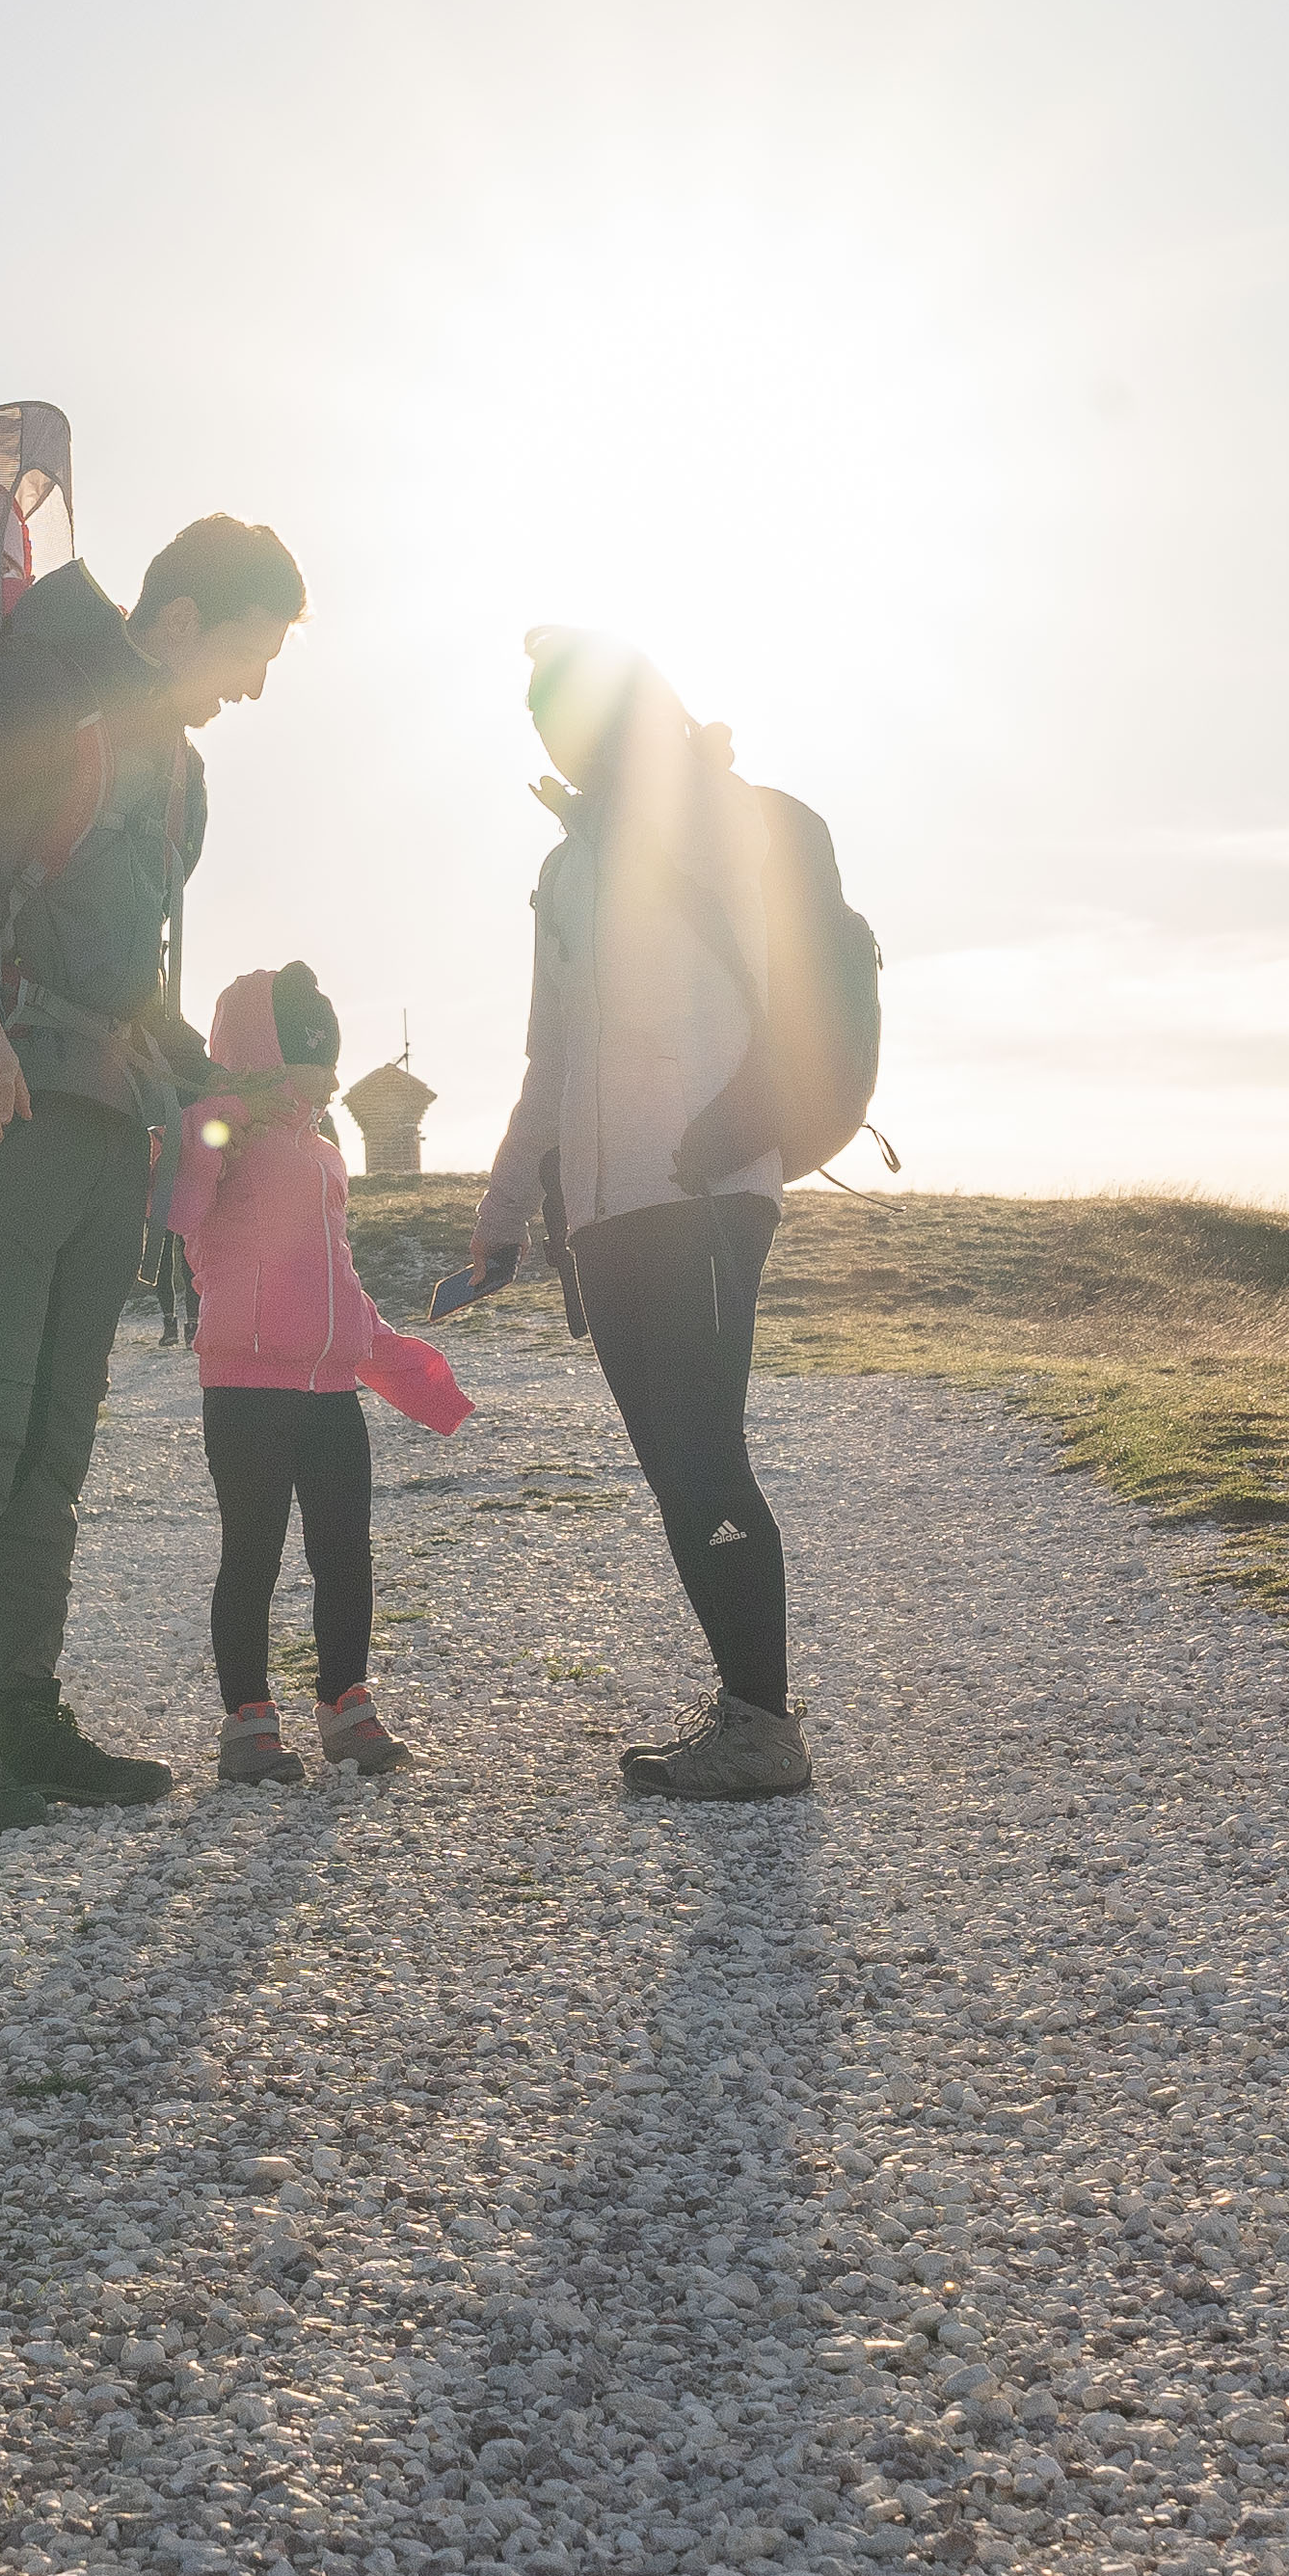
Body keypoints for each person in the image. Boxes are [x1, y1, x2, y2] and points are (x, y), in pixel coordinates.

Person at [0, 513, 309, 1835]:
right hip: (2, 1088)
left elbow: (127, 975)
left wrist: (217, 1083)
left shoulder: (180, 770)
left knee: (54, 1440)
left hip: (106, 1108)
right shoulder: (43, 681)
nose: (256, 685)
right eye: (250, 649)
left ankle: (23, 1706)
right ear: (178, 620)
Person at [471, 628, 814, 1800]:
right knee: (673, 1464)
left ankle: (765, 1723)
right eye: (542, 720)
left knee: (706, 1450)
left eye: (572, 712)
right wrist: (507, 1210)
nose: (557, 737)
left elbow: (781, 978)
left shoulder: (715, 816)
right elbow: (550, 1057)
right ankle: (744, 1706)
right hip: (607, 1210)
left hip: (708, 1181)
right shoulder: (563, 872)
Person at [165, 958, 470, 1784]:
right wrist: (220, 1113)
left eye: (333, 1067)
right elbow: (179, 1216)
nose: (331, 1083)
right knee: (253, 1552)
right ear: (269, 1056)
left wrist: (398, 1359)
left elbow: (335, 1274)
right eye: (317, 1066)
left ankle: (345, 1703)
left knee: (345, 1552)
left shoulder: (328, 1158)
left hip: (331, 1393)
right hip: (244, 1390)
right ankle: (247, 1720)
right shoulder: (212, 1136)